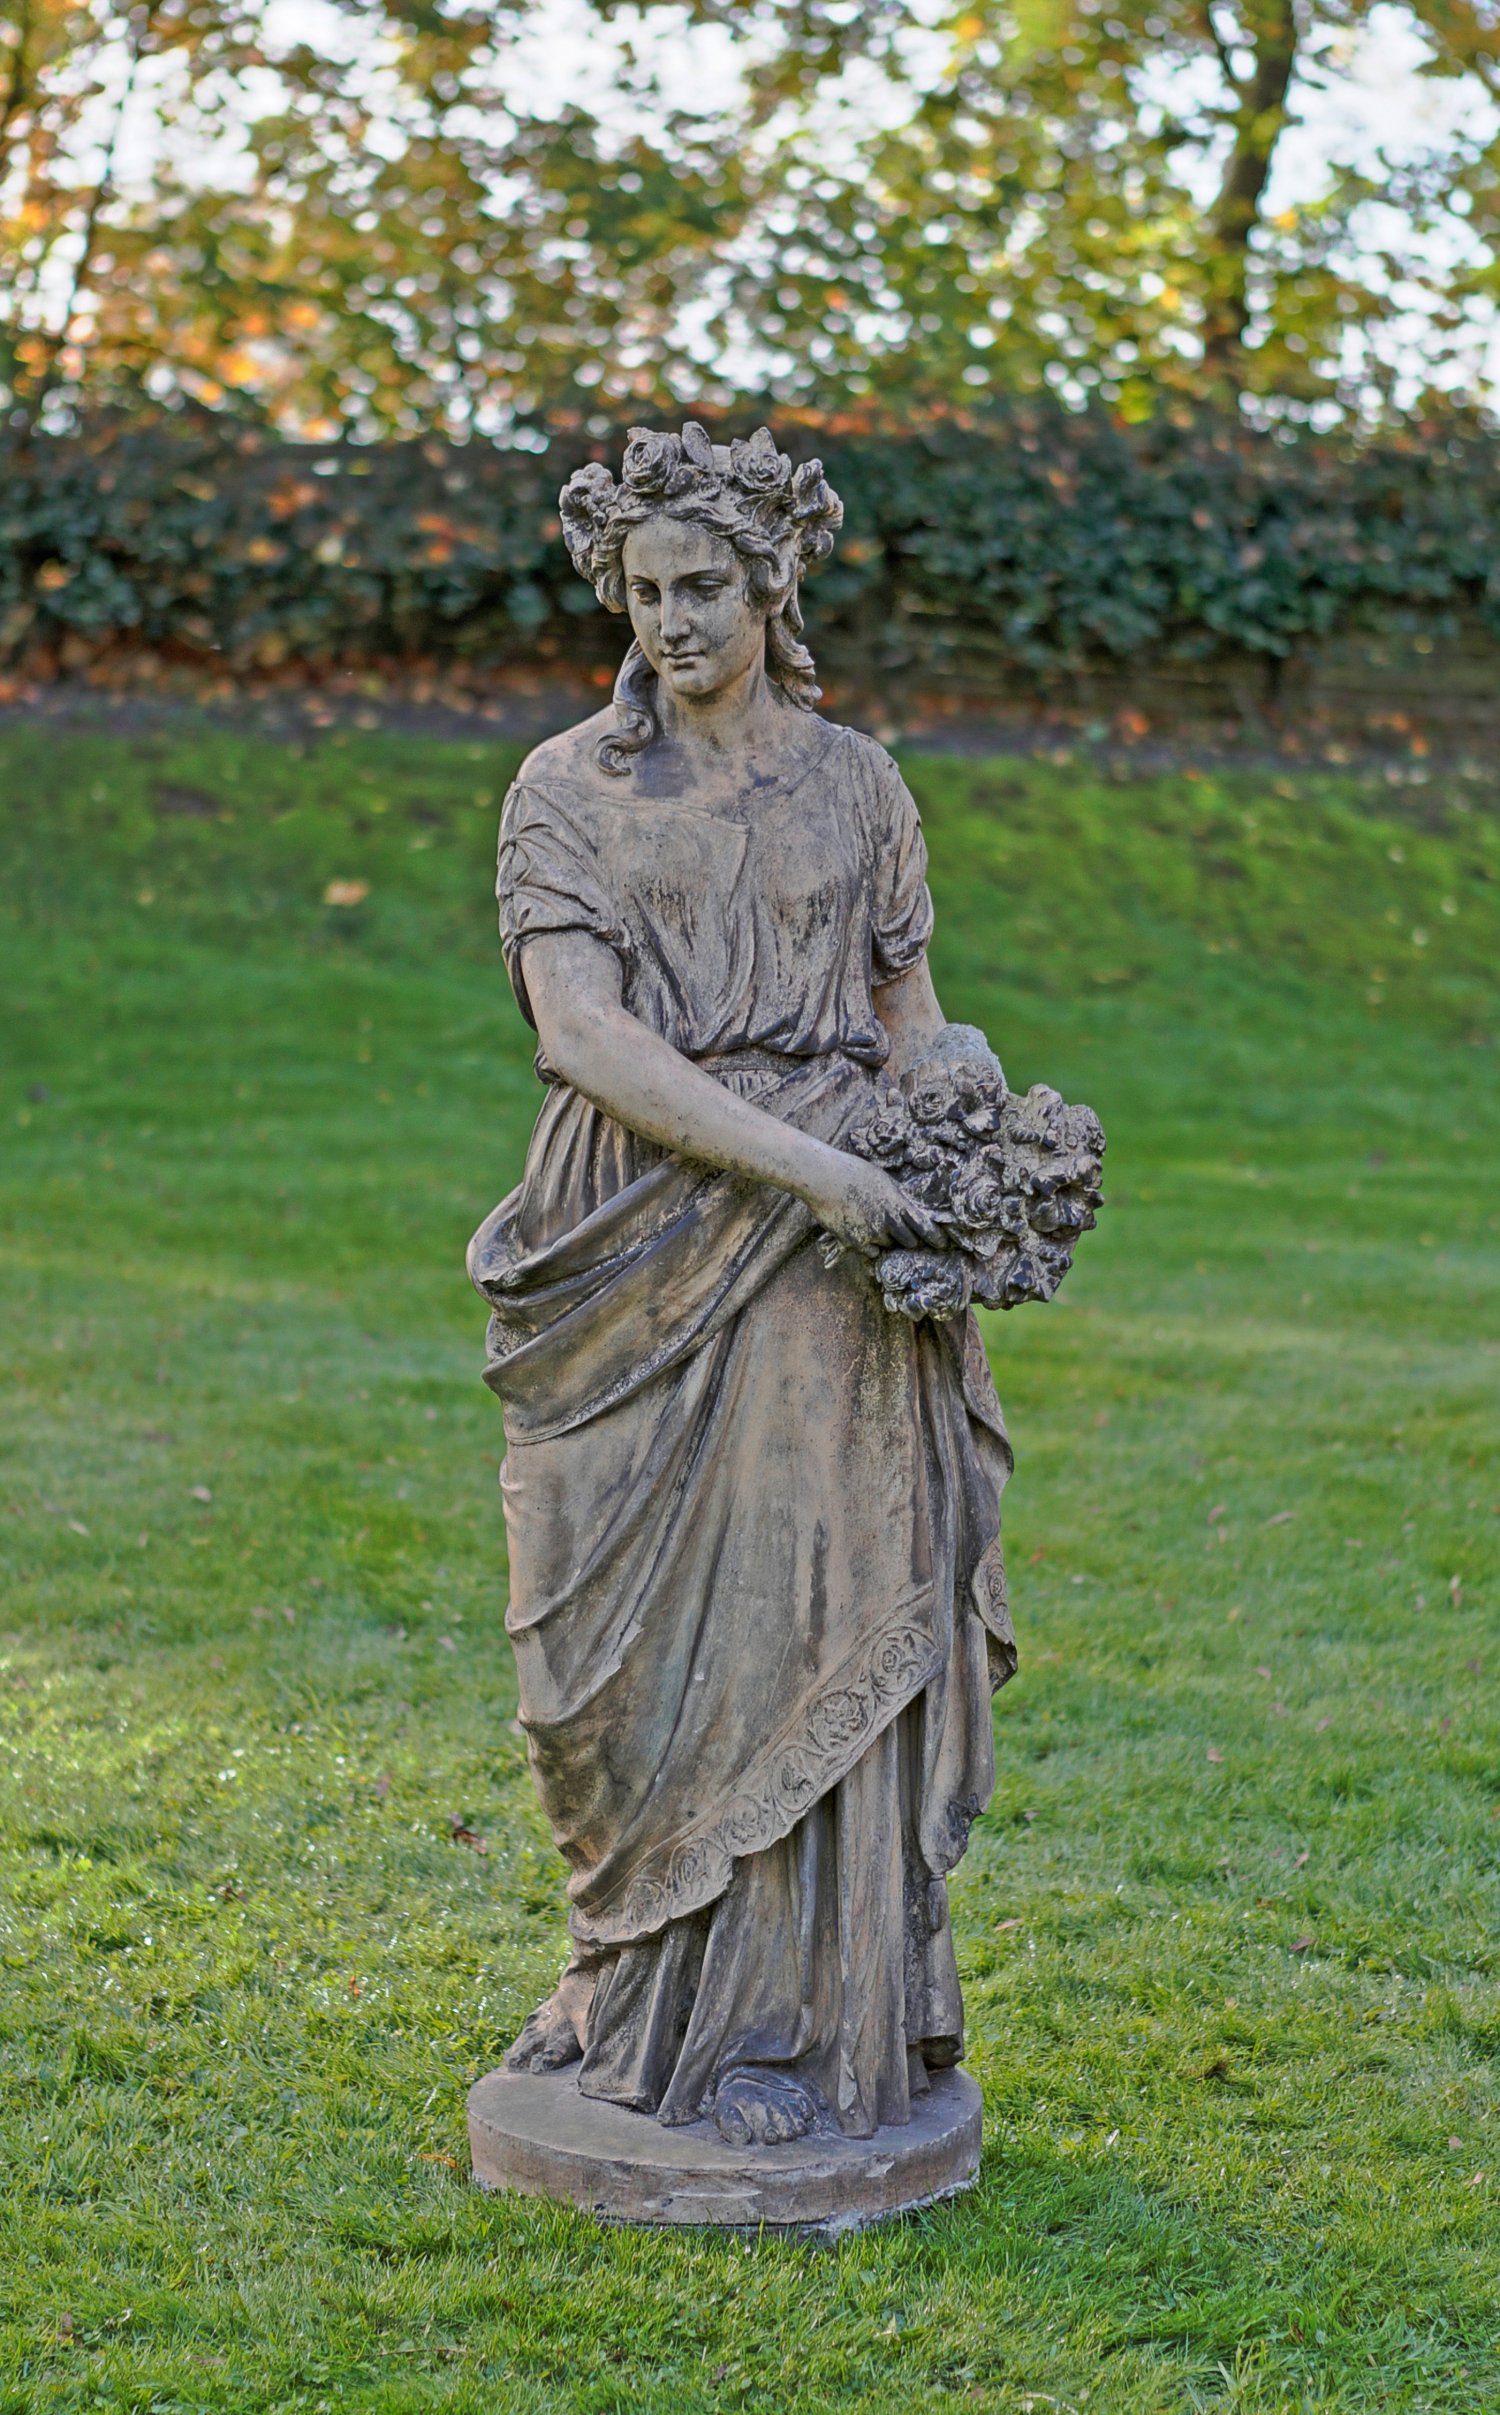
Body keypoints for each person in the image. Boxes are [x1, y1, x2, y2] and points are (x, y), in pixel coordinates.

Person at [468, 422, 1015, 2150]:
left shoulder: (857, 784)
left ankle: (786, 2026)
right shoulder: (566, 789)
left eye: (705, 585)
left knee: (803, 1619)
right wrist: (816, 1168)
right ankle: (617, 1977)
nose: (674, 622)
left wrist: (973, 1120)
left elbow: (909, 1014)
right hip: (638, 1236)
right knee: (605, 1669)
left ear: (773, 585)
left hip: (819, 1269)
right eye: (644, 592)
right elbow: (585, 1035)